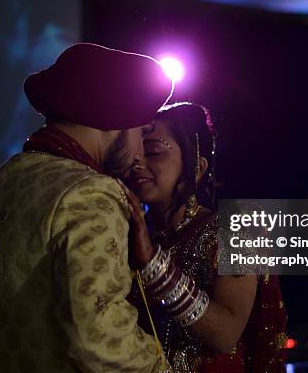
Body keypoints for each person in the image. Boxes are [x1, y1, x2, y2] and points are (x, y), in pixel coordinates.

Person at [0, 43, 176, 372]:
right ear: (114, 116)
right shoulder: (88, 194)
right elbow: (102, 343)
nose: (138, 157)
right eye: (141, 134)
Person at [121, 102, 288, 372]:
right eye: (134, 153)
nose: (138, 162)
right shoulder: (128, 233)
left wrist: (153, 265)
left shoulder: (237, 228)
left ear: (197, 167)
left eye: (152, 151)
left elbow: (225, 334)